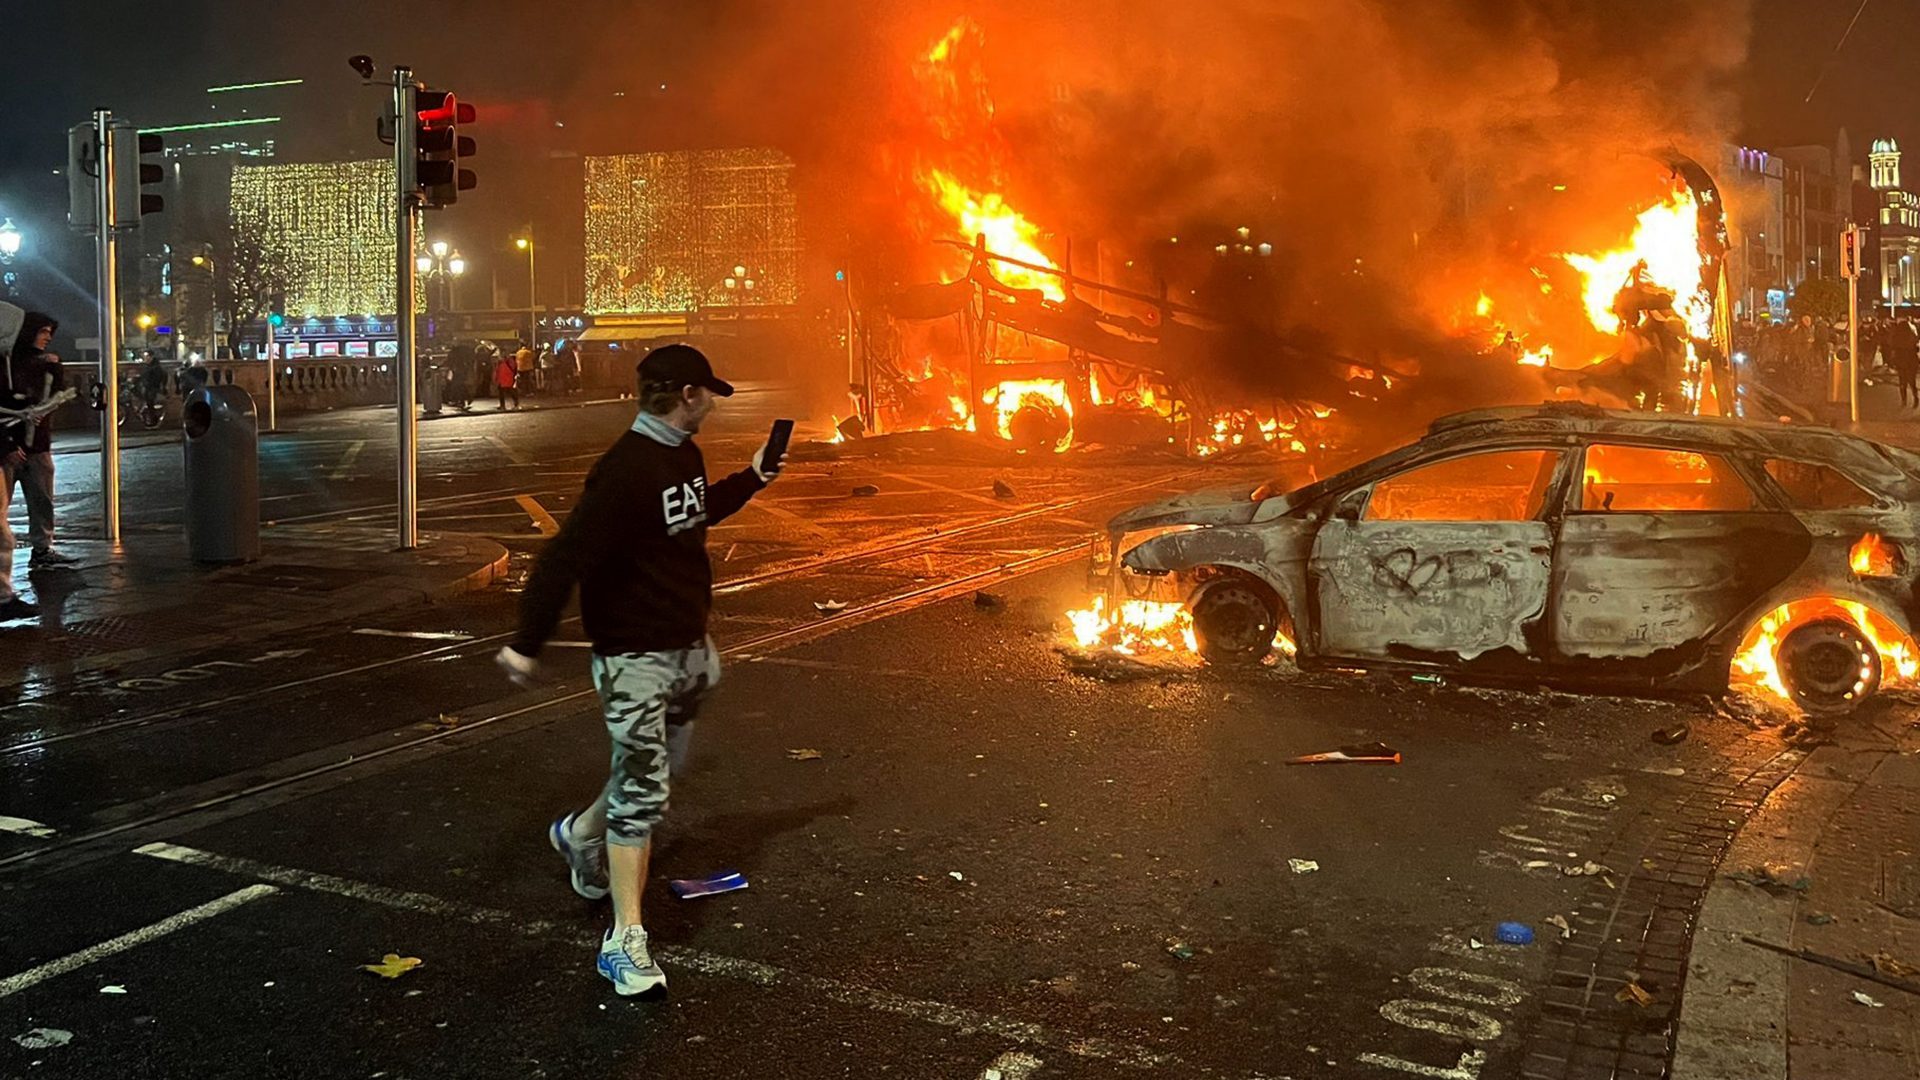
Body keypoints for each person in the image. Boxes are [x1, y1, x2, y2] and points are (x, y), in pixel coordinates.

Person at [494, 343, 787, 997]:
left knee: (641, 771)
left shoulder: (681, 452)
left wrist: (755, 476)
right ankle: (625, 943)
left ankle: (579, 833)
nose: (713, 401)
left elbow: (693, 511)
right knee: (646, 793)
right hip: (635, 656)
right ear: (685, 395)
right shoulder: (624, 471)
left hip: (686, 650)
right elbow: (563, 557)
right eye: (707, 392)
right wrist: (527, 642)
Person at [6, 311, 77, 571]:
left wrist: (54, 367)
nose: (47, 337)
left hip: (38, 443)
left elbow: (56, 392)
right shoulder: (10, 362)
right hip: (10, 444)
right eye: (43, 332)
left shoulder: (47, 362)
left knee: (42, 497)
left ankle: (43, 547)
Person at [1885, 317, 1920, 408]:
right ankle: (1915, 398)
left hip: (1900, 360)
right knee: (1912, 381)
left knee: (1902, 381)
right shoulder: (1912, 333)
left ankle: (1904, 401)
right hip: (1911, 360)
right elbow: (1916, 345)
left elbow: (1890, 343)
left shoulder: (1896, 335)